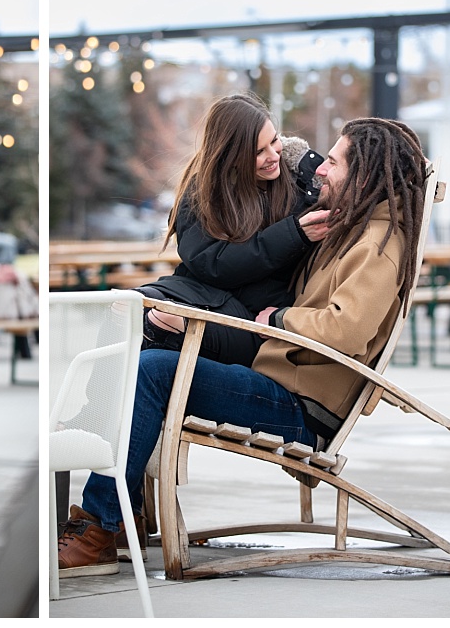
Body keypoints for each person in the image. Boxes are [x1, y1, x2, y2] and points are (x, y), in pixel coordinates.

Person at [57, 118, 428, 576]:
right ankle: (116, 515)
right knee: (142, 350)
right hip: (278, 379)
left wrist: (279, 319)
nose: (320, 171)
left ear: (364, 175)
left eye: (332, 162)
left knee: (153, 371)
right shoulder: (351, 229)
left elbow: (346, 330)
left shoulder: (378, 244)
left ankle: (96, 528)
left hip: (299, 404)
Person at [136, 92, 331, 367]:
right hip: (201, 295)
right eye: (258, 151)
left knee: (155, 329)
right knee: (126, 307)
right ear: (231, 155)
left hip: (255, 316)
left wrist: (296, 232)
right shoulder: (204, 191)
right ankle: (94, 408)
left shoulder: (302, 184)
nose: (273, 155)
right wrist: (292, 234)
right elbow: (211, 264)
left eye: (274, 141)